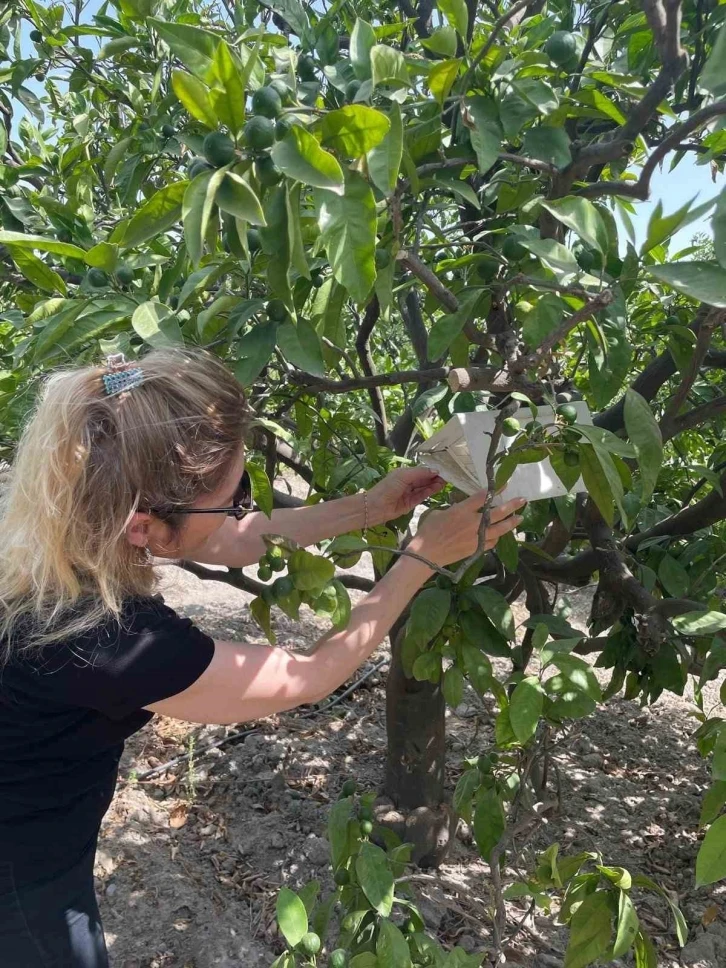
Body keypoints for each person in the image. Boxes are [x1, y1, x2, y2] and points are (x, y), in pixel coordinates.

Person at [0, 347, 525, 967]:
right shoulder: (113, 644)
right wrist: (422, 556)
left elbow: (226, 539)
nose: (242, 507)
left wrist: (373, 507)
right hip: (24, 884)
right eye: (233, 496)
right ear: (142, 525)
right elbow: (310, 676)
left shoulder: (51, 520)